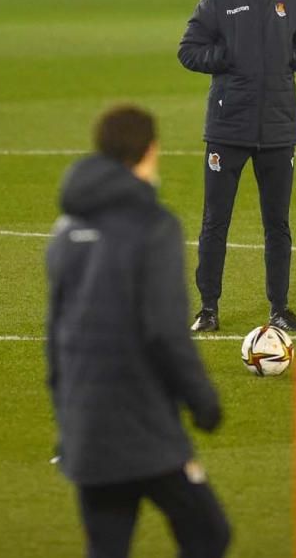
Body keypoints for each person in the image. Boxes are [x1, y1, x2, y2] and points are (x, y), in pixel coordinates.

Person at [46, 104, 230, 558]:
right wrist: (203, 402)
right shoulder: (154, 227)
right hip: (144, 426)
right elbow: (166, 331)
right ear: (150, 150)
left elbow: (55, 335)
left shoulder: (66, 229)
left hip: (86, 423)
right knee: (208, 533)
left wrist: (66, 415)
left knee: (107, 546)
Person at [178, 0, 296, 333]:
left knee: (277, 224)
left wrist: (292, 58)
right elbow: (189, 50)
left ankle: (279, 308)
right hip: (228, 127)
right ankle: (208, 309)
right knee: (215, 221)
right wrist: (224, 58)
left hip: (279, 129)